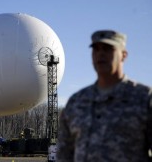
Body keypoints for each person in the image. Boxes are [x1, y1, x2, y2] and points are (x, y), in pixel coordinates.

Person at [56, 30, 152, 161]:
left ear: (124, 55)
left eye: (108, 49)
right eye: (96, 49)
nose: (100, 54)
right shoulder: (76, 102)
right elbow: (64, 155)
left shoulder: (144, 98)